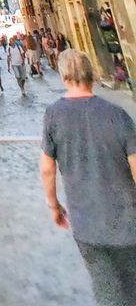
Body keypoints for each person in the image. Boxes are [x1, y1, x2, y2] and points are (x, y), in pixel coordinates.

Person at [40, 48, 136, 305]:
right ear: (92, 76)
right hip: (128, 219)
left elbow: (47, 168)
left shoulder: (54, 116)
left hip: (86, 223)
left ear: (63, 78)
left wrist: (53, 206)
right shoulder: (118, 115)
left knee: (107, 289)